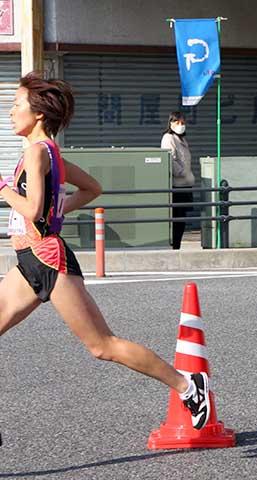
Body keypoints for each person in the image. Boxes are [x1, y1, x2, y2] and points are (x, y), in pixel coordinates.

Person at [0, 72, 210, 431]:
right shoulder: (45, 153)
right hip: (28, 261)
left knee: (102, 346)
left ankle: (189, 387)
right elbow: (91, 188)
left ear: (38, 114)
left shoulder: (38, 152)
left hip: (47, 259)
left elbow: (33, 209)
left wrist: (4, 189)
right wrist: (59, 208)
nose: (10, 112)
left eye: (16, 105)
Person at [161, 111, 195, 250]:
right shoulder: (168, 138)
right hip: (177, 186)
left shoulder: (181, 139)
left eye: (183, 122)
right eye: (177, 122)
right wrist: (182, 173)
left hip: (185, 185)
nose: (180, 125)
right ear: (170, 123)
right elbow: (170, 160)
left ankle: (177, 246)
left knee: (181, 220)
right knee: (177, 219)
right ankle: (174, 247)